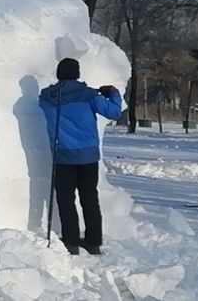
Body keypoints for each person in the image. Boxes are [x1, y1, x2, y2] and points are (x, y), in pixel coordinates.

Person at [38, 58, 123, 256]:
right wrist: (113, 94)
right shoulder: (89, 95)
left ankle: (71, 241)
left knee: (66, 200)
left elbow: (43, 100)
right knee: (90, 198)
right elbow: (115, 113)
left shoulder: (47, 97)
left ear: (59, 74)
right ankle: (93, 242)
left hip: (62, 156)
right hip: (87, 156)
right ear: (77, 73)